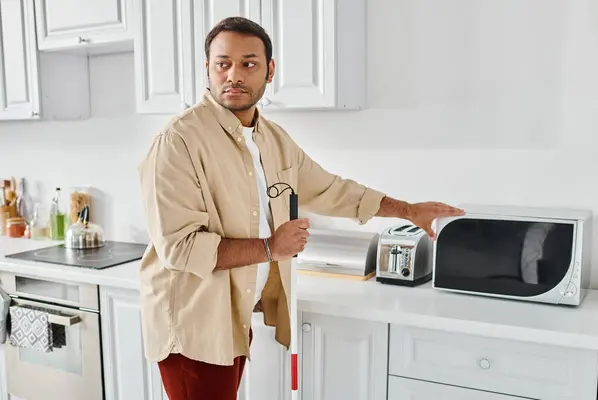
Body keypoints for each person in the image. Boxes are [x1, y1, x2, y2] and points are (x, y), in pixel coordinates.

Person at [137, 16, 464, 400]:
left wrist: (407, 210)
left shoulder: (271, 139)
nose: (234, 75)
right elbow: (181, 248)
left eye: (249, 63)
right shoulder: (178, 142)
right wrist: (270, 248)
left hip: (232, 316)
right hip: (194, 323)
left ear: (269, 70)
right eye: (222, 63)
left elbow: (329, 189)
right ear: (207, 69)